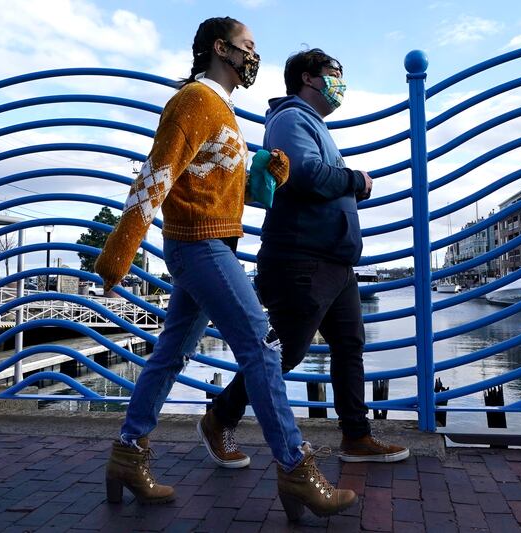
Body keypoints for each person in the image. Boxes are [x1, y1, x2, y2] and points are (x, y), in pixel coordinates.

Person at [94, 18, 357, 520]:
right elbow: (158, 173)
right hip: (199, 247)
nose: (254, 57)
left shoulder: (222, 110)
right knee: (263, 345)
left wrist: (265, 178)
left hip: (210, 244)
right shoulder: (195, 101)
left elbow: (220, 193)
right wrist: (119, 251)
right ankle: (295, 468)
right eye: (248, 47)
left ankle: (128, 453)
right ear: (221, 49)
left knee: (171, 353)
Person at [198, 48, 409, 467]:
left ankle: (356, 436)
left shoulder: (313, 125)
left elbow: (318, 180)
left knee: (350, 346)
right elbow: (306, 174)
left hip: (334, 262)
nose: (340, 82)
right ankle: (219, 418)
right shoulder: (291, 119)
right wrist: (356, 180)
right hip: (302, 258)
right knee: (287, 350)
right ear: (309, 79)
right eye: (335, 73)